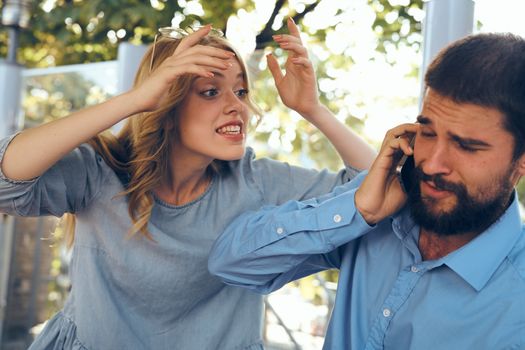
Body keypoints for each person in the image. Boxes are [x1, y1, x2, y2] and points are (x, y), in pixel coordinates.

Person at [0, 18, 376, 350]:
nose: (237, 106)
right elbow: (6, 181)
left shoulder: (254, 180)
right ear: (166, 102)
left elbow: (373, 186)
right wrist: (134, 101)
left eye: (241, 91)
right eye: (211, 92)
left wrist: (313, 109)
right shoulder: (101, 171)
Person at [209, 32, 525, 350]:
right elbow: (232, 264)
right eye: (427, 133)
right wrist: (359, 211)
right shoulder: (377, 209)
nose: (431, 165)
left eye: (467, 146)